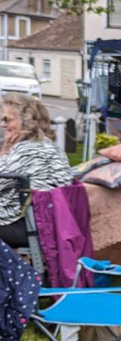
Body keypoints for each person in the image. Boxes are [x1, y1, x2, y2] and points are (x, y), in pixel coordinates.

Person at [0, 94, 72, 247]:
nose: (2, 124)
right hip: (45, 223)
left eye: (8, 119)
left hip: (27, 224)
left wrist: (4, 150)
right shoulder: (49, 147)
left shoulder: (27, 150)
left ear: (26, 121)